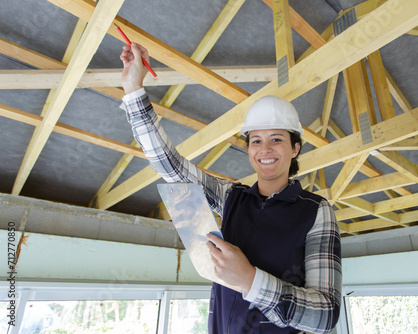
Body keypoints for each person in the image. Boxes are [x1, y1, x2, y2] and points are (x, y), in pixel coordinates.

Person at [120, 43, 342, 334]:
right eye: (256, 140)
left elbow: (325, 315)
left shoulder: (316, 210)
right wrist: (133, 88)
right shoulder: (231, 197)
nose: (265, 149)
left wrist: (250, 280)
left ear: (295, 148)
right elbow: (171, 167)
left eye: (276, 139)